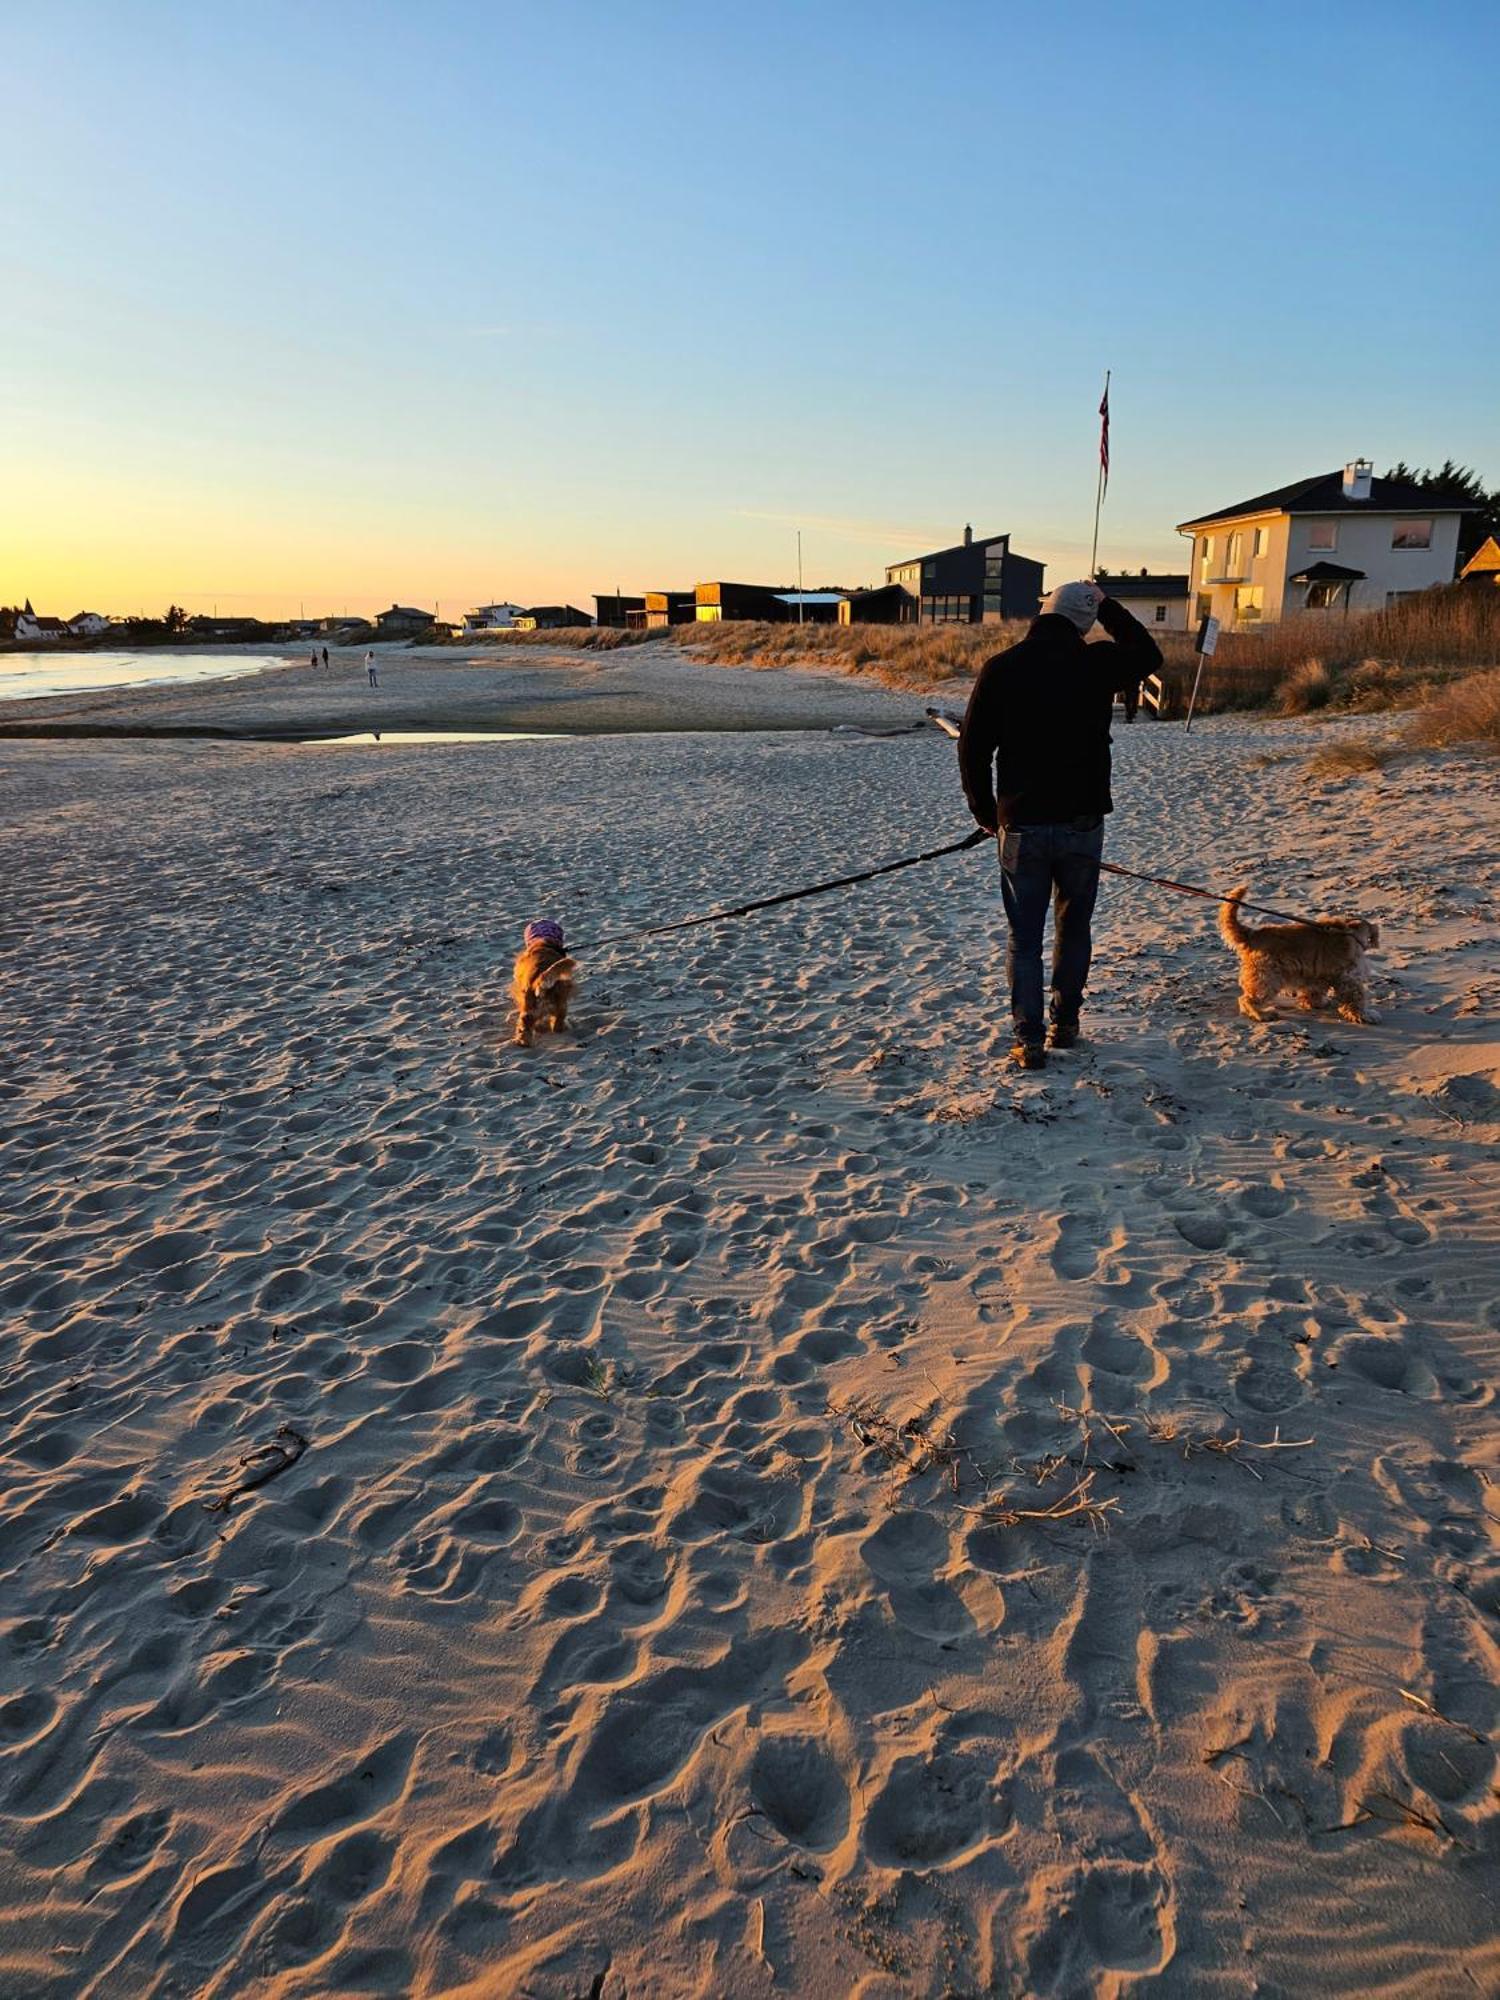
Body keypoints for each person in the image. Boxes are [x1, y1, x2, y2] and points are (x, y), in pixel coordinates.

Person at [958, 580, 1161, 1071]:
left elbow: (972, 747)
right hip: (1081, 821)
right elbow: (1148, 654)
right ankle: (1065, 1024)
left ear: (1043, 614)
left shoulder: (1002, 667)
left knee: (1023, 936)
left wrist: (986, 814)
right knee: (1074, 926)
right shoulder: (1098, 662)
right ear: (1085, 621)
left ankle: (1028, 1038)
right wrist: (1108, 607)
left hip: (1021, 823)